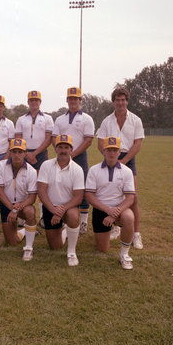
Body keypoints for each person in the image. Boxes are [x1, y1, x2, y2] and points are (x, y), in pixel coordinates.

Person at [96, 87, 145, 249]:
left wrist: (123, 161)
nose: (120, 102)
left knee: (133, 198)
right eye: (117, 100)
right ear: (113, 102)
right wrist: (112, 158)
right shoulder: (106, 121)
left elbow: (138, 144)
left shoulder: (135, 120)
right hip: (110, 158)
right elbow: (100, 143)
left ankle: (136, 234)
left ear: (127, 101)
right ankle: (116, 227)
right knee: (112, 194)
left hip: (128, 160)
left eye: (123, 99)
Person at [85, 137, 136, 270]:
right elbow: (89, 196)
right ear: (103, 151)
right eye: (109, 150)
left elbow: (130, 198)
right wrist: (108, 211)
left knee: (129, 217)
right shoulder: (94, 170)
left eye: (115, 150)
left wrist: (114, 214)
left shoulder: (126, 171)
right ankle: (107, 231)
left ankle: (124, 254)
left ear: (119, 152)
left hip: (120, 209)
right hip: (101, 209)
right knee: (103, 249)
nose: (112, 153)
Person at [52, 87, 95, 235]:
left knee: (81, 189)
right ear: (67, 100)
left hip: (79, 156)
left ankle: (83, 221)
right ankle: (65, 218)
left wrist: (73, 154)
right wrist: (62, 152)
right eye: (70, 98)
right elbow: (54, 138)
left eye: (76, 98)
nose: (73, 101)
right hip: (63, 156)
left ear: (80, 100)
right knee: (63, 185)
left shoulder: (87, 118)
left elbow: (88, 140)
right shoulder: (59, 119)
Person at [37, 134, 84, 266]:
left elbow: (78, 197)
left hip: (68, 208)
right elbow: (41, 191)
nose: (63, 150)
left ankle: (71, 252)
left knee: (73, 216)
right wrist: (53, 210)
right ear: (56, 149)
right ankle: (65, 232)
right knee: (55, 246)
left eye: (66, 147)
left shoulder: (77, 169)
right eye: (60, 147)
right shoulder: (46, 165)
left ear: (71, 149)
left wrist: (61, 211)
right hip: (50, 207)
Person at [15, 90, 53, 227]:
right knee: (24, 184)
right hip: (23, 153)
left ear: (40, 102)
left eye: (36, 100)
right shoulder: (21, 119)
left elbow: (48, 138)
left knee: (42, 185)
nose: (34, 102)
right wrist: (26, 154)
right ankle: (23, 215)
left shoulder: (47, 118)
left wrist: (35, 153)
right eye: (31, 100)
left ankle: (43, 216)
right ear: (28, 102)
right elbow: (17, 138)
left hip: (41, 154)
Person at [0, 138, 38, 261]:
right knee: (12, 242)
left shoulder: (31, 171)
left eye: (20, 152)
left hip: (23, 205)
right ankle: (25, 230)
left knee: (30, 212)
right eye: (14, 152)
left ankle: (28, 248)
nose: (17, 155)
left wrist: (16, 209)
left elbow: (32, 197)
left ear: (25, 153)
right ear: (10, 152)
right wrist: (11, 208)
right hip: (6, 205)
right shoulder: (0, 166)